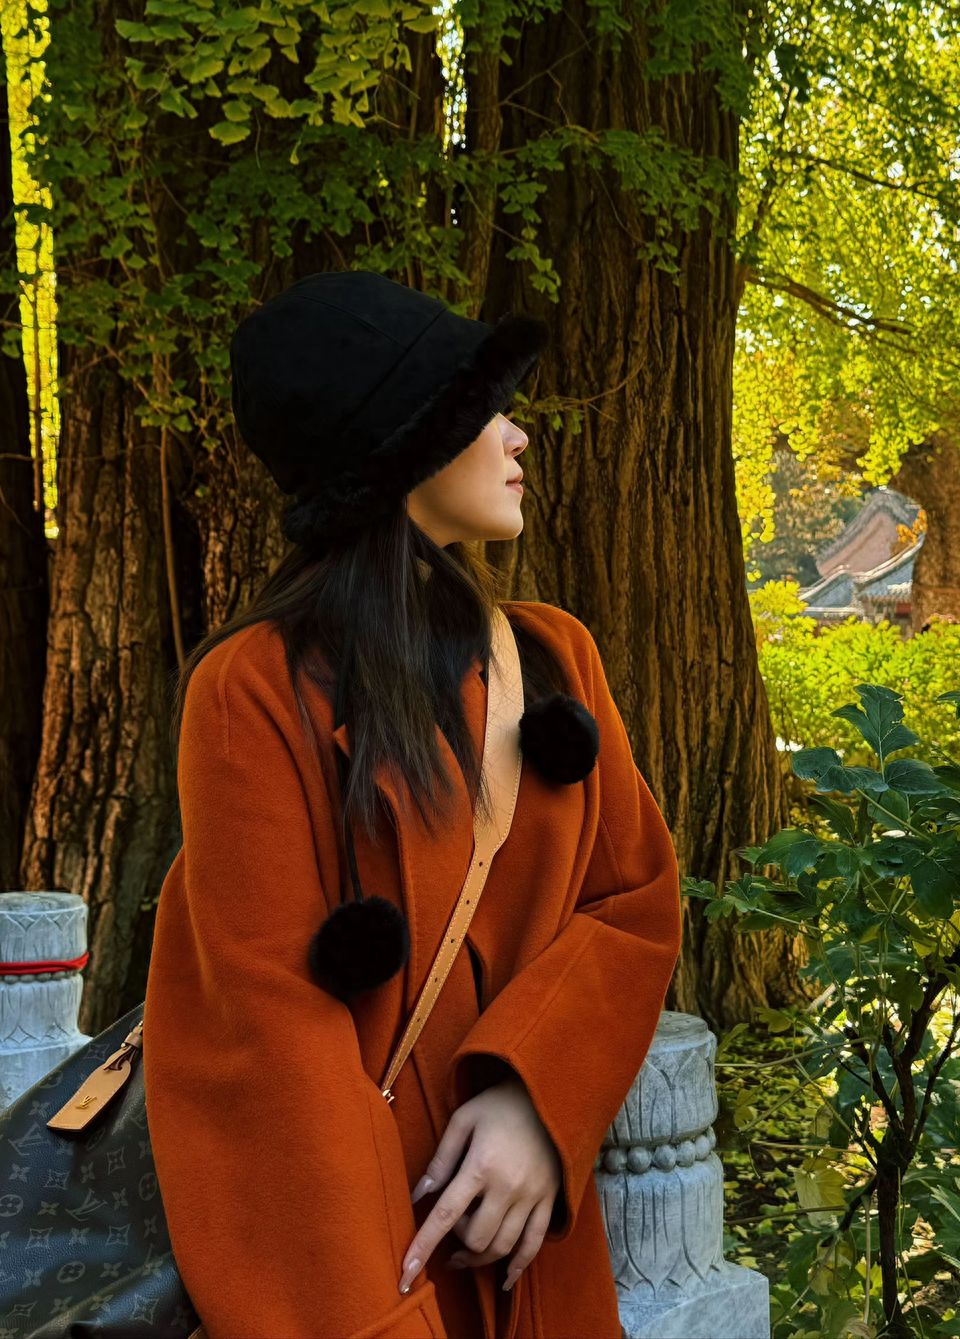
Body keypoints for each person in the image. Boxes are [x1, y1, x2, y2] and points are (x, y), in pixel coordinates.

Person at [143, 270, 684, 1339]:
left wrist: (535, 1098)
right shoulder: (252, 690)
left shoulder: (553, 655)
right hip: (364, 1253)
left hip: (530, 1252)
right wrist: (371, 1318)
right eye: (485, 412)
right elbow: (269, 1038)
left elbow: (632, 904)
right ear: (401, 450)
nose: (519, 437)